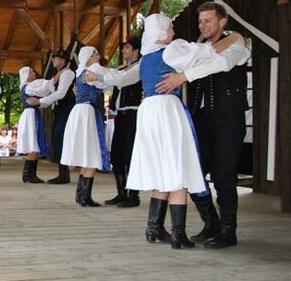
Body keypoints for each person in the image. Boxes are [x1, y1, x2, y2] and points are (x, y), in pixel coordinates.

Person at [126, 13, 247, 249]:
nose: (174, 31)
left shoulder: (147, 56)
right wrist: (233, 39)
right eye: (170, 27)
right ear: (162, 32)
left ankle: (159, 228)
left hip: (160, 111)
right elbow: (205, 54)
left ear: (222, 22)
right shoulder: (174, 49)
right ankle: (184, 232)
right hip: (172, 113)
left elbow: (218, 62)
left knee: (187, 171)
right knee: (181, 170)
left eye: (207, 20)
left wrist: (183, 75)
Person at [90, 37, 143, 207]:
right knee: (117, 155)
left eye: (127, 47)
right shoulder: (120, 68)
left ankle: (133, 195)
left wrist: (98, 75)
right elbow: (107, 79)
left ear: (136, 50)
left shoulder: (140, 67)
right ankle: (121, 192)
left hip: (134, 113)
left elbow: (121, 78)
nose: (123, 51)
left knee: (130, 154)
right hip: (120, 115)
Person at [60, 46, 111, 207]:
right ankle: (85, 197)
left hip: (79, 112)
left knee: (86, 152)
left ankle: (80, 195)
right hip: (88, 112)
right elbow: (110, 79)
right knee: (91, 152)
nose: (99, 55)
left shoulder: (80, 72)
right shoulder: (94, 69)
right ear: (89, 58)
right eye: (96, 54)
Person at [26, 50, 75, 184]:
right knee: (57, 138)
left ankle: (64, 174)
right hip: (60, 109)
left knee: (60, 138)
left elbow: (60, 94)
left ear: (63, 61)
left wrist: (39, 102)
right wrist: (39, 104)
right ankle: (63, 173)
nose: (53, 60)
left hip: (67, 109)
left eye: (55, 58)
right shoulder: (59, 75)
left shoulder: (68, 73)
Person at [16, 66, 52, 183]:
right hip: (31, 115)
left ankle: (31, 174)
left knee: (35, 143)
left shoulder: (29, 87)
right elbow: (44, 87)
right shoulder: (28, 86)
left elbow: (42, 99)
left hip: (32, 114)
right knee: (33, 144)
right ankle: (28, 174)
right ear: (26, 75)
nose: (34, 73)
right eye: (31, 72)